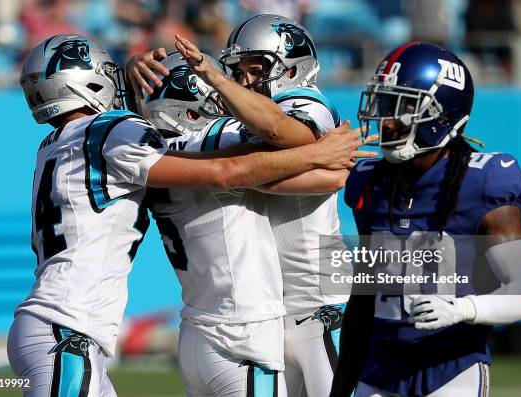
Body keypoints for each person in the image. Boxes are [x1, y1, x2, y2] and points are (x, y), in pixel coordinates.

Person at [6, 33, 369, 397]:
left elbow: (161, 143)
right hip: (236, 334)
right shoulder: (158, 135)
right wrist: (320, 154)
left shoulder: (62, 143)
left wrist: (138, 83)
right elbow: (242, 167)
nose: (226, 106)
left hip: (189, 331)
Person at [128, 15, 357, 397]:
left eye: (256, 69)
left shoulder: (303, 101)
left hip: (320, 305)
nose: (244, 80)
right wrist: (315, 158)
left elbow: (280, 133)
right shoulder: (222, 132)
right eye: (238, 71)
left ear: (292, 66)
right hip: (274, 316)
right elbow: (311, 171)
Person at [332, 42, 521, 397]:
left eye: (402, 108)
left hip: (450, 366)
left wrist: (463, 308)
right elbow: (363, 298)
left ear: (441, 115)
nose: (386, 120)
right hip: (379, 367)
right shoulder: (371, 180)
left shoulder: (484, 181)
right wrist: (340, 388)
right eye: (384, 105)